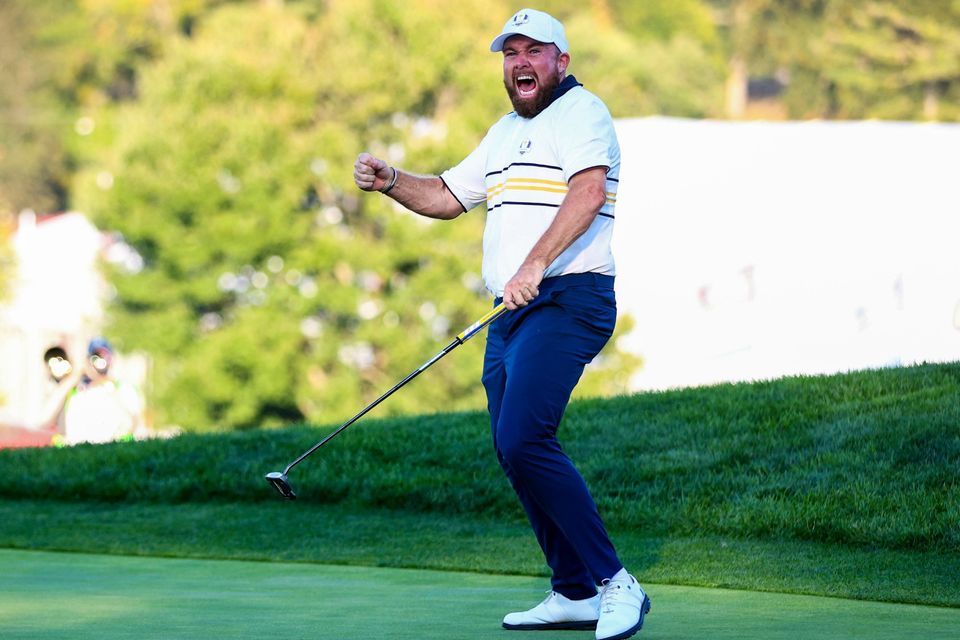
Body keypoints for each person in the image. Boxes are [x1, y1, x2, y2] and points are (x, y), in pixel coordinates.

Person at [353, 8, 649, 640]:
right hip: (512, 309)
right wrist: (391, 181)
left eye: (533, 51)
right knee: (511, 450)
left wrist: (535, 263)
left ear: (560, 62)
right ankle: (573, 591)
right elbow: (445, 196)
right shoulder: (503, 132)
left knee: (524, 437)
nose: (520, 62)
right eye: (510, 53)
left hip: (570, 299)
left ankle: (616, 583)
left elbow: (589, 193)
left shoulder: (583, 114)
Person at [61, 337, 146, 446]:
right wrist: (77, 375)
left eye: (104, 357)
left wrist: (109, 386)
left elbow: (134, 422)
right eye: (95, 357)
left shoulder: (124, 389)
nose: (100, 362)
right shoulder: (77, 392)